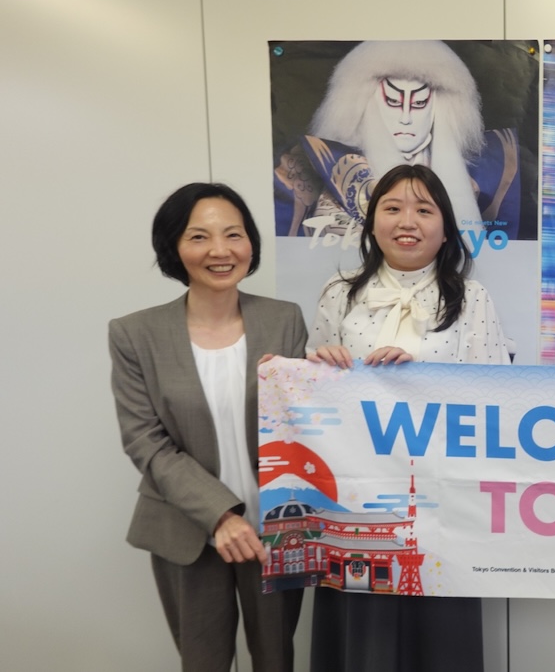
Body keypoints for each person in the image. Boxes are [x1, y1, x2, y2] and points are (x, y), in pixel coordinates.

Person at [306, 163, 509, 671]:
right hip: (356, 505)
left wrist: (422, 379)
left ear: (445, 228)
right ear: (372, 222)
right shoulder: (340, 293)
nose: (407, 221)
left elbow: (494, 396)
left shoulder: (472, 298)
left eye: (424, 209)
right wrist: (317, 369)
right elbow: (310, 404)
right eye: (392, 208)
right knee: (364, 638)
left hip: (443, 501)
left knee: (443, 641)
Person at [108, 183, 306, 671]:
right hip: (187, 527)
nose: (220, 251)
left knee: (276, 658)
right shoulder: (135, 334)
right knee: (203, 662)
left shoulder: (285, 320)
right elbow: (145, 442)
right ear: (174, 247)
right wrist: (221, 515)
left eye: (233, 235)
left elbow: (307, 422)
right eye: (199, 237)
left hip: (275, 529)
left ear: (251, 244)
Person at [274, 40, 520, 240]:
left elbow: (507, 253)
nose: (405, 118)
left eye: (419, 103)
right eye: (393, 101)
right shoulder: (315, 160)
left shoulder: (494, 166)